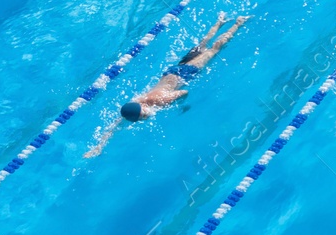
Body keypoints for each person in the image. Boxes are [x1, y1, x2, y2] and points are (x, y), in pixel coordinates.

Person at [85, 12, 249, 158]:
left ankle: (238, 23)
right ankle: (220, 21)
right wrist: (99, 146)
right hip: (172, 71)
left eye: (142, 115)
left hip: (187, 72)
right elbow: (113, 126)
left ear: (141, 108)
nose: (145, 117)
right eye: (141, 118)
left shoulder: (161, 100)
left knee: (214, 50)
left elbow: (183, 92)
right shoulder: (136, 101)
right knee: (203, 44)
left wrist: (180, 105)